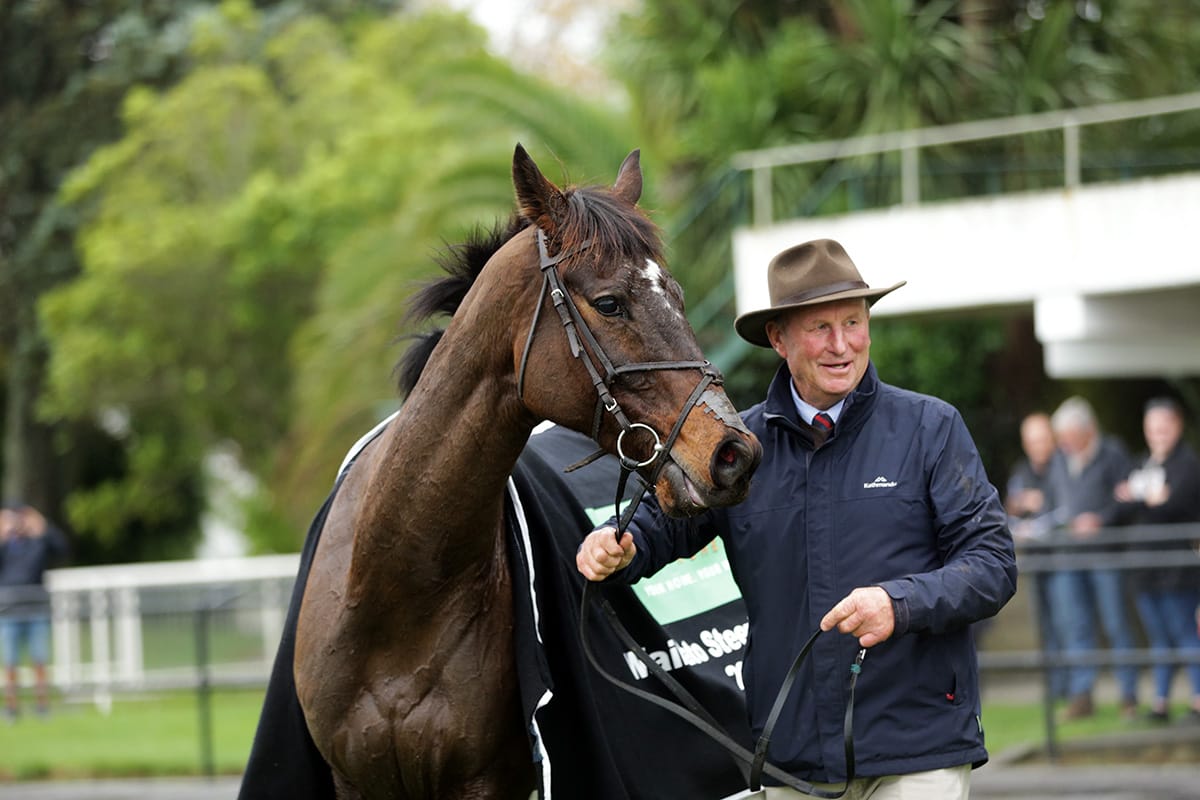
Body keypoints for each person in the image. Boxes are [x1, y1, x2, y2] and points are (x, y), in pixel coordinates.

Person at [577, 239, 1018, 798]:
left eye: (852, 322)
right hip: (792, 757)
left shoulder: (931, 428)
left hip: (920, 750)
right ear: (779, 339)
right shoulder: (738, 446)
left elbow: (992, 566)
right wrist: (619, 545)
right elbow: (663, 523)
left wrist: (898, 603)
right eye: (820, 328)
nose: (841, 344)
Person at [1045, 396, 1137, 721]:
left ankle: (1128, 696)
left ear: (1089, 430)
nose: (1064, 443)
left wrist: (1101, 520)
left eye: (1069, 436)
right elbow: (1053, 501)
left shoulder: (1113, 453)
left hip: (1105, 555)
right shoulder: (1059, 458)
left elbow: (1129, 499)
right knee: (1075, 627)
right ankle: (1081, 696)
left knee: (1116, 624)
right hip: (1068, 557)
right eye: (1061, 437)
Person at [1114, 397, 1200, 724]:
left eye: (1163, 428)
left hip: (1177, 568)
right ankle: (1160, 702)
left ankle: (1197, 700)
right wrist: (1148, 498)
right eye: (1152, 429)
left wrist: (1140, 497)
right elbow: (1121, 504)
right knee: (1158, 637)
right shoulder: (1142, 463)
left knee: (1185, 633)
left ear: (1177, 426)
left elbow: (1174, 503)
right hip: (1145, 567)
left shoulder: (1188, 465)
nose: (1157, 435)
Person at [1005, 412, 1067, 701]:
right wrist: (1019, 505)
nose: (1037, 446)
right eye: (1031, 441)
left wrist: (1042, 503)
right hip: (1035, 558)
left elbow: (1068, 508)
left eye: (1041, 439)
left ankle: (1078, 690)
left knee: (1069, 624)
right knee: (1046, 627)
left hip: (1064, 559)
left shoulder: (1063, 466)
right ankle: (1056, 690)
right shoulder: (1022, 470)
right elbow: (1010, 506)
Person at [0, 503, 68, 721]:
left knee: (39, 659)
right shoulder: (5, 546)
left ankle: (42, 706)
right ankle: (12, 707)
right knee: (10, 662)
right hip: (9, 611)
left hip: (35, 609)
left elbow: (62, 548)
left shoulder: (37, 543)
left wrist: (42, 525)